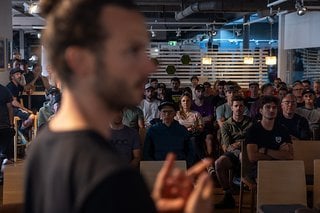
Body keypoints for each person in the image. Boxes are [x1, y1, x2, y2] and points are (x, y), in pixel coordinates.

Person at [24, 1, 213, 213]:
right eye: (132, 50)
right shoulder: (111, 177)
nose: (148, 65)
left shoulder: (46, 142)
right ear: (80, 61)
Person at [215, 95, 252, 209]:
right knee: (219, 163)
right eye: (236, 106)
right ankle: (228, 194)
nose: (238, 108)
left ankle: (243, 180)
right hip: (233, 153)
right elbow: (227, 147)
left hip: (249, 152)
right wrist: (241, 144)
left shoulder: (251, 122)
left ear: (244, 107)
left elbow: (254, 141)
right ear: (232, 107)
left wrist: (238, 144)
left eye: (241, 106)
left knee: (244, 155)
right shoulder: (226, 124)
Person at [246, 96, 293, 179]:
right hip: (259, 168)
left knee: (294, 173)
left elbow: (289, 155)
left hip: (281, 167)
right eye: (268, 107)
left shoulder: (283, 129)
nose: (271, 110)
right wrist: (279, 154)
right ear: (261, 110)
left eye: (274, 107)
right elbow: (252, 157)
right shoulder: (253, 130)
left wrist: (265, 151)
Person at [143, 101, 193, 167]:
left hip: (179, 164)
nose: (167, 114)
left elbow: (190, 151)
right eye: (164, 112)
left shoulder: (182, 130)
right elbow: (146, 151)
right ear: (160, 113)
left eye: (170, 112)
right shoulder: (153, 130)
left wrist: (187, 164)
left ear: (175, 113)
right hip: (158, 165)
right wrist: (153, 165)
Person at [0, 84, 15, 163]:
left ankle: (4, 156)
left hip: (4, 125)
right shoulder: (5, 89)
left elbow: (10, 108)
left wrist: (11, 124)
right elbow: (10, 108)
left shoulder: (5, 90)